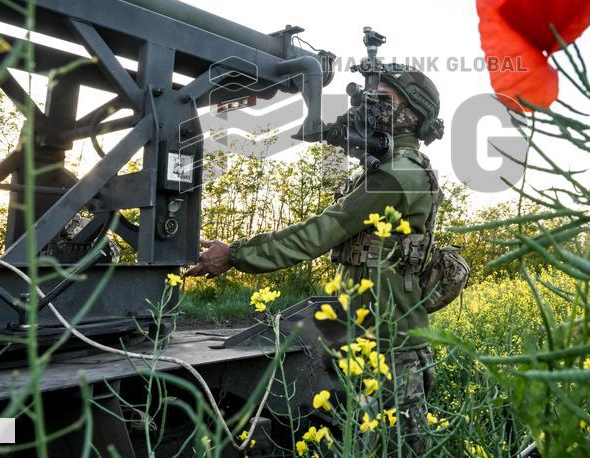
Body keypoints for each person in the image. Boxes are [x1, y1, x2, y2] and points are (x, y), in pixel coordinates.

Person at [186, 66, 444, 456]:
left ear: (413, 114)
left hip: (394, 350)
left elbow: (319, 233)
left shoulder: (399, 176)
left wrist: (237, 254)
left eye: (384, 100)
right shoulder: (380, 172)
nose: (370, 107)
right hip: (363, 343)